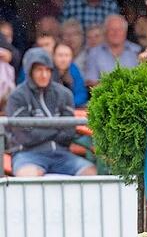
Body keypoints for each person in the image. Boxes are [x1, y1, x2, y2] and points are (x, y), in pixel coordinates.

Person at [4, 47, 97, 176]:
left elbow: (69, 132)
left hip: (61, 154)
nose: (44, 75)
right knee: (28, 175)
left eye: (47, 70)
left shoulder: (64, 94)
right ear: (29, 71)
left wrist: (39, 128)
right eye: (39, 70)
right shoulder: (17, 96)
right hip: (27, 155)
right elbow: (24, 136)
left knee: (90, 172)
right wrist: (56, 128)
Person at [84, 14, 141, 87]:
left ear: (125, 32)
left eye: (119, 29)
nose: (116, 33)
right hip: (103, 97)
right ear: (105, 32)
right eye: (112, 29)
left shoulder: (137, 51)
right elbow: (90, 82)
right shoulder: (94, 53)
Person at [53, 42, 88, 107]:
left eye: (67, 55)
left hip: (71, 108)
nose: (63, 59)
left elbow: (81, 94)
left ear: (71, 58)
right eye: (60, 55)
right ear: (53, 56)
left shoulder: (74, 69)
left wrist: (68, 104)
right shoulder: (48, 71)